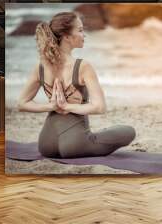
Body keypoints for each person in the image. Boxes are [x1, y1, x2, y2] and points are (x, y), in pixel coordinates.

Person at [17, 12, 136, 158]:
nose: (84, 34)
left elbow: (22, 104)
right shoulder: (83, 66)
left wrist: (51, 106)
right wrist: (67, 107)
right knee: (129, 131)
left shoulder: (40, 67)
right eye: (80, 30)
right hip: (75, 145)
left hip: (46, 145)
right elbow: (100, 107)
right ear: (66, 36)